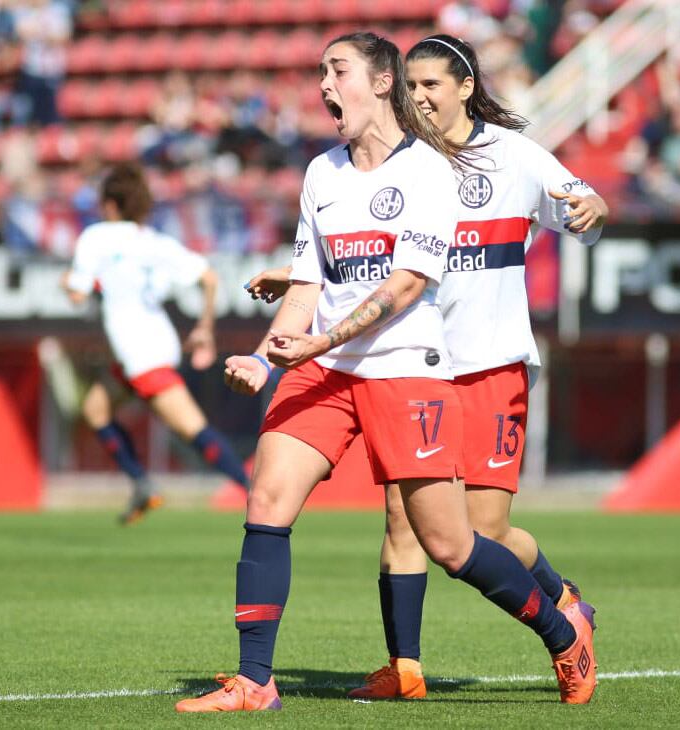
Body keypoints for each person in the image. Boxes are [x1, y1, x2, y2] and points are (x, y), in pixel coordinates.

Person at [175, 31, 596, 713]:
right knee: (266, 502)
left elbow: (402, 287)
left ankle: (561, 631)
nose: (322, 85)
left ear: (379, 82)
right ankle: (255, 681)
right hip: (327, 369)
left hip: (405, 369)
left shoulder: (428, 171)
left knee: (452, 544)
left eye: (336, 70)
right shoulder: (321, 173)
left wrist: (318, 342)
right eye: (319, 72)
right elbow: (308, 285)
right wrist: (263, 355)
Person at [62, 163, 250, 525]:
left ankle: (254, 492)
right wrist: (205, 328)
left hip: (140, 354)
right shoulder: (155, 242)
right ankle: (141, 483)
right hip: (154, 345)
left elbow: (75, 294)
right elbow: (209, 278)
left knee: (194, 431)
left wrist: (67, 280)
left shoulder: (96, 237)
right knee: (96, 409)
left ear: (110, 205)